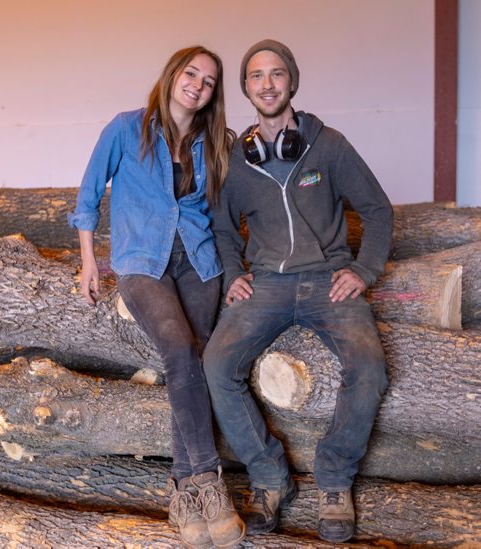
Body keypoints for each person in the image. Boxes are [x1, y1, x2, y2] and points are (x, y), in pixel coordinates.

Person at [203, 39, 393, 543]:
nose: (267, 84)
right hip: (266, 284)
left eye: (277, 74)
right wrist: (232, 272)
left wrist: (365, 270)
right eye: (257, 76)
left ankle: (334, 483)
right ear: (245, 87)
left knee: (370, 368)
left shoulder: (328, 145)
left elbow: (377, 211)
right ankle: (269, 478)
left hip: (329, 283)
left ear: (292, 82)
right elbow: (222, 228)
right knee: (217, 366)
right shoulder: (237, 161)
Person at [68, 45, 245, 549]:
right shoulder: (126, 128)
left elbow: (223, 215)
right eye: (191, 73)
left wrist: (234, 273)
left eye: (209, 81)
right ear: (172, 75)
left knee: (200, 361)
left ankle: (185, 497)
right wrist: (87, 262)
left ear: (214, 95)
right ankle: (209, 483)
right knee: (177, 348)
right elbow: (87, 196)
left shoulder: (214, 143)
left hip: (200, 262)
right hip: (142, 262)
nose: (198, 85)